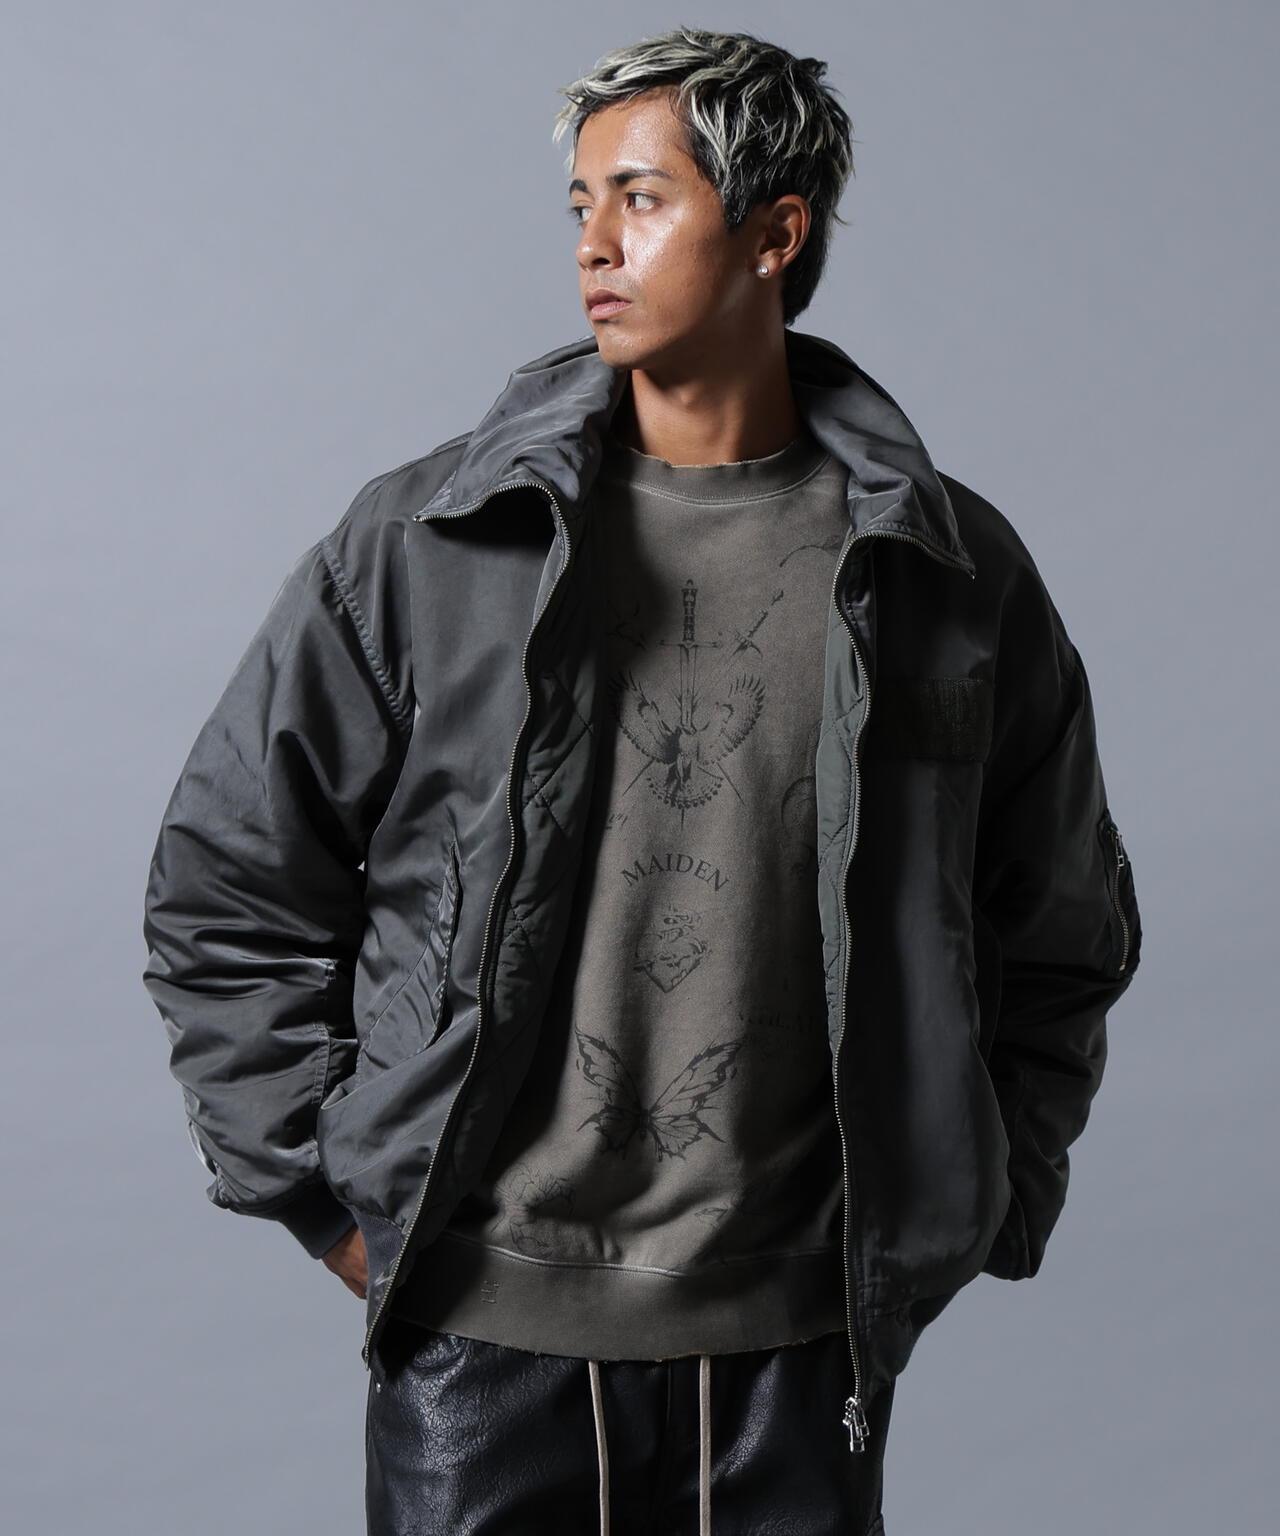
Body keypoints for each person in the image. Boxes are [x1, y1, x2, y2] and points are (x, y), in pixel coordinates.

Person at [141, 25, 1143, 1536]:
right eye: (581, 205)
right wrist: (326, 1202)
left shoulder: (948, 571)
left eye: (642, 199)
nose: (593, 245)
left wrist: (965, 1197)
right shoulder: (429, 545)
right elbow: (227, 886)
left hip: (800, 1348)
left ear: (773, 234)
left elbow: (1061, 926)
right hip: (482, 1343)